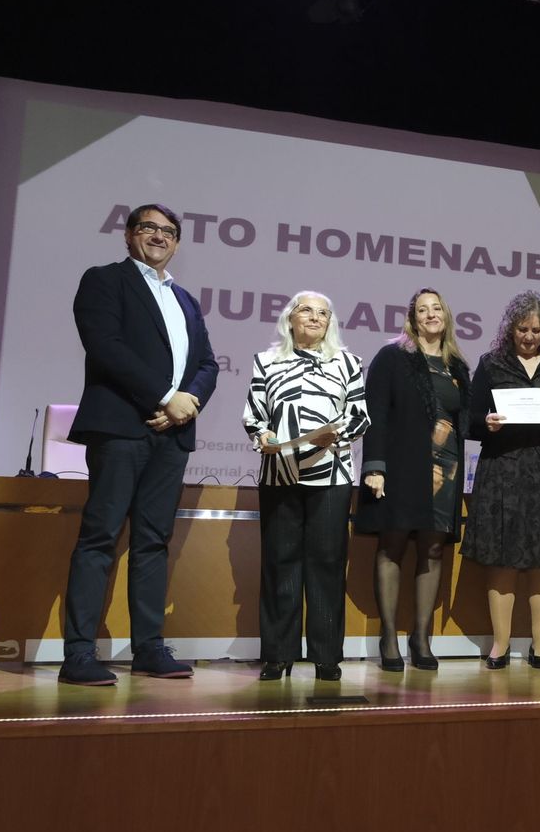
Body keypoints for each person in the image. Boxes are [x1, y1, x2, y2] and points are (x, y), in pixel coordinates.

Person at [58, 203, 218, 686]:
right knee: (100, 537)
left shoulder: (186, 299)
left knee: (153, 542)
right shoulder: (104, 280)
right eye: (148, 227)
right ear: (128, 235)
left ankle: (148, 647)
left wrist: (188, 401)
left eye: (168, 231)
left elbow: (208, 363)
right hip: (121, 428)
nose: (158, 236)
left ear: (177, 243)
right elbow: (106, 347)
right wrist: (166, 397)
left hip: (170, 438)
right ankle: (79, 653)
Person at [243, 292, 370, 681]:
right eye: (306, 310)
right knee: (280, 563)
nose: (315, 317)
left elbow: (360, 416)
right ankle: (277, 654)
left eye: (323, 313)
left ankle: (326, 656)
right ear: (290, 319)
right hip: (280, 472)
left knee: (328, 564)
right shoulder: (266, 361)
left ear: (330, 322)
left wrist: (335, 434)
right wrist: (262, 435)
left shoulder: (348, 363)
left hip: (330, 473)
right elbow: (255, 415)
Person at [464, 292, 540, 670]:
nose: (530, 336)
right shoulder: (491, 363)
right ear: (510, 328)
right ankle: (499, 645)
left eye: (536, 329)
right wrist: (486, 423)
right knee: (501, 558)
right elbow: (469, 419)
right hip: (503, 470)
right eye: (522, 329)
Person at [355, 288, 470, 670]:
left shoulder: (458, 366)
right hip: (401, 467)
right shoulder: (393, 357)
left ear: (446, 315)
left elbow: (462, 421)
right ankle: (389, 637)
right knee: (392, 546)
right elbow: (377, 413)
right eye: (423, 309)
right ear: (412, 318)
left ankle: (421, 639)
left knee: (433, 549)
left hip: (446, 470)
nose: (431, 314)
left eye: (437, 307)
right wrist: (374, 465)